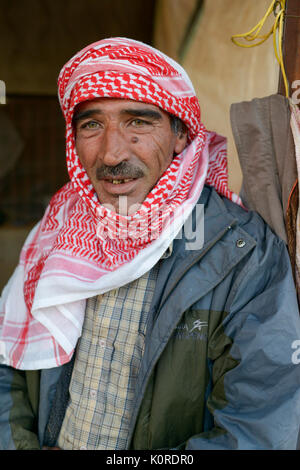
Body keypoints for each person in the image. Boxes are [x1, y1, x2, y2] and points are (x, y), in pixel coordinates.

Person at [0, 37, 300, 451]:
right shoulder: (55, 232)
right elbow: (6, 367)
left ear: (180, 134)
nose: (111, 153)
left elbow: (259, 429)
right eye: (92, 124)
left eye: (138, 122)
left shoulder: (243, 254)